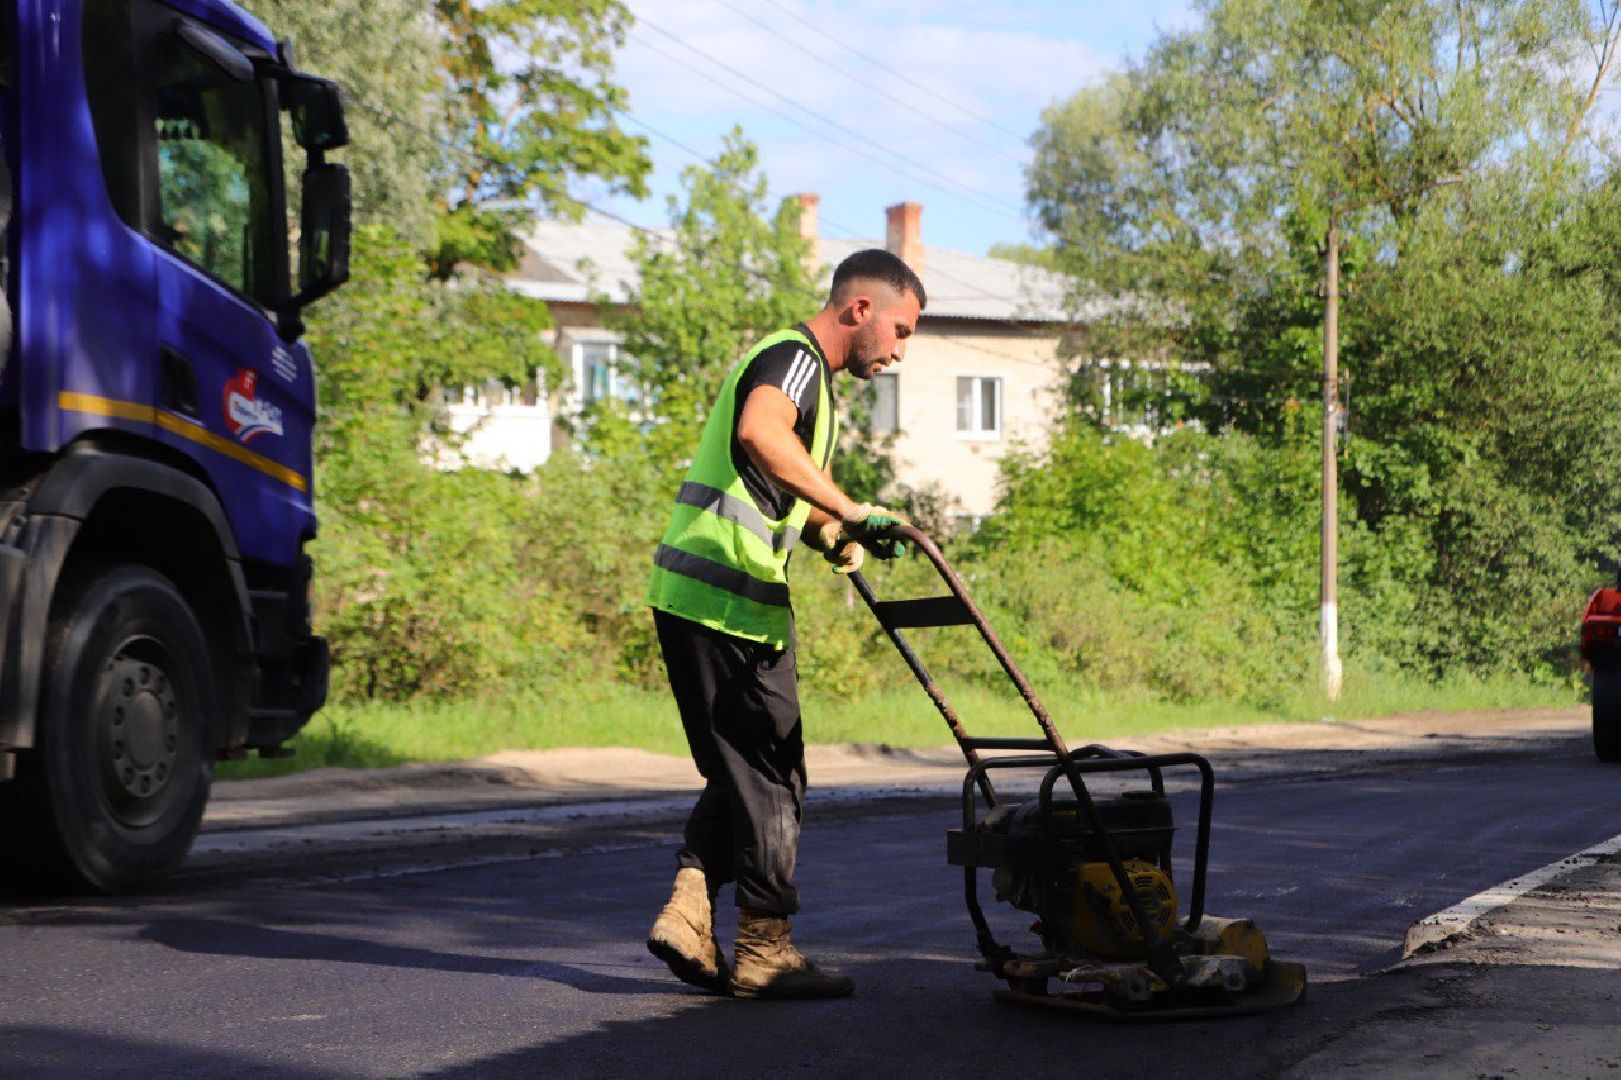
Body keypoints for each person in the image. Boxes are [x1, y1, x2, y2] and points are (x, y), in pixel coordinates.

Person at [644, 248, 926, 999]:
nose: (897, 352)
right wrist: (852, 507)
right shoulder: (796, 360)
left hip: (691, 593)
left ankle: (688, 909)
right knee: (773, 774)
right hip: (731, 599)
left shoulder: (807, 382)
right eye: (899, 330)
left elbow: (773, 485)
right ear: (859, 309)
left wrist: (829, 532)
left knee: (741, 767)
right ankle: (763, 948)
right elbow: (761, 436)